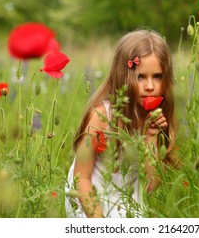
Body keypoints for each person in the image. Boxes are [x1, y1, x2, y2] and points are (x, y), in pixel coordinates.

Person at [65, 29, 177, 218]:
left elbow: (152, 184)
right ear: (122, 76)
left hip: (128, 198)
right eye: (140, 77)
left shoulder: (158, 118)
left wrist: (151, 137)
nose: (150, 86)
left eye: (157, 76)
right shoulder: (100, 117)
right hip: (88, 196)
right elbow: (80, 178)